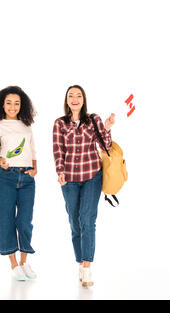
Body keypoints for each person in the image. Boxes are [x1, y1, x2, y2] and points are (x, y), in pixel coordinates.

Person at [53, 85, 115, 287]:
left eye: (78, 95)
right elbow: (58, 150)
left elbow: (106, 145)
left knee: (87, 219)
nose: (75, 98)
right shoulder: (60, 124)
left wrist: (107, 127)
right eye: (71, 95)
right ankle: (80, 262)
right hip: (69, 179)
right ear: (66, 100)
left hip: (91, 176)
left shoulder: (93, 119)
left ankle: (87, 267)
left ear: (83, 99)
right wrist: (60, 172)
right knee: (74, 221)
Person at [0, 86, 38, 281]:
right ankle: (14, 264)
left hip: (27, 178)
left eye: (16, 103)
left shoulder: (27, 125)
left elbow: (32, 151)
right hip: (6, 177)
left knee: (25, 221)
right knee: (6, 220)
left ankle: (25, 261)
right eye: (9, 102)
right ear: (2, 104)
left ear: (21, 105)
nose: (12, 106)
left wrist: (35, 168)